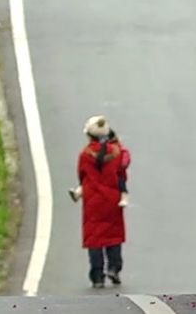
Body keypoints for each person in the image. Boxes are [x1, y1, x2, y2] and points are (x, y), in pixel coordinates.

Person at [67, 114, 130, 288]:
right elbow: (121, 173)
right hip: (113, 199)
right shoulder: (116, 152)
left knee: (94, 238)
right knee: (114, 235)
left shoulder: (85, 155)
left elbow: (81, 174)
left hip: (93, 200)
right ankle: (114, 268)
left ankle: (97, 276)